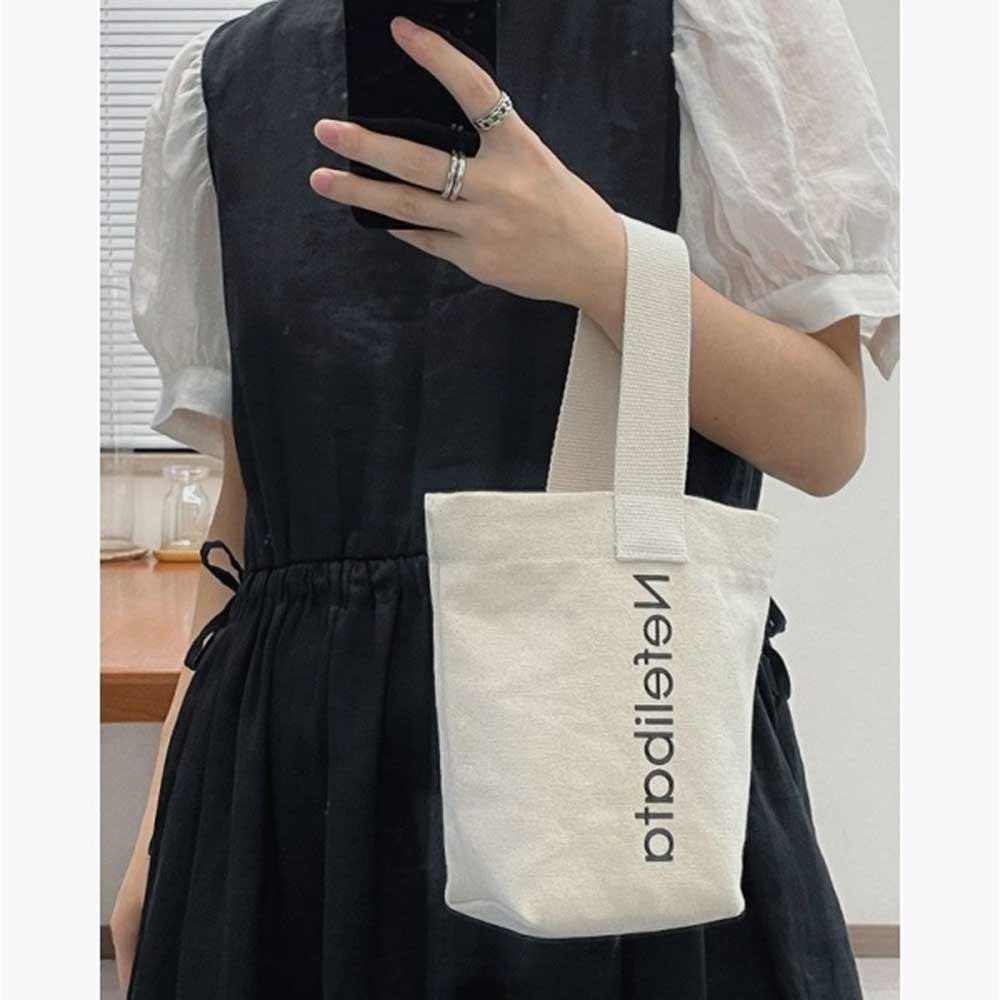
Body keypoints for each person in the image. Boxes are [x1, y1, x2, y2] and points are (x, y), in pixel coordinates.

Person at [112, 2, 898, 998]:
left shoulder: (712, 29)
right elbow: (248, 513)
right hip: (288, 784)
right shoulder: (224, 83)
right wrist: (158, 822)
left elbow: (826, 435)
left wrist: (597, 260)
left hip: (612, 749)